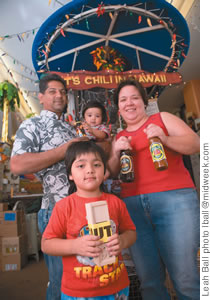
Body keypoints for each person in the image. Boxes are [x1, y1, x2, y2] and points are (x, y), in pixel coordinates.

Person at [108, 78, 200, 300]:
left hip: (175, 200)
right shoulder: (119, 137)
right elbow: (111, 172)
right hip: (133, 208)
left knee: (185, 276)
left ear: (144, 101)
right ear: (118, 107)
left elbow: (195, 144)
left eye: (134, 98)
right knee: (148, 280)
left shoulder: (162, 119)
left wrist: (164, 138)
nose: (129, 103)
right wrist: (115, 152)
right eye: (123, 100)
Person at [10, 73, 87, 300]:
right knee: (61, 279)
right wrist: (62, 151)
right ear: (41, 97)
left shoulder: (72, 128)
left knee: (84, 274)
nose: (59, 95)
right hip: (57, 210)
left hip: (84, 208)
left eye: (63, 92)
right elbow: (17, 164)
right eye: (53, 91)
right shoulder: (32, 125)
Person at [41, 140, 136, 299]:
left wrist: (122, 241)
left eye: (97, 165)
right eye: (81, 166)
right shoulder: (64, 207)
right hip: (78, 292)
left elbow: (131, 232)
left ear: (105, 171)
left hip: (117, 287)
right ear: (70, 174)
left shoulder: (115, 203)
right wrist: (74, 245)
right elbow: (46, 244)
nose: (90, 170)